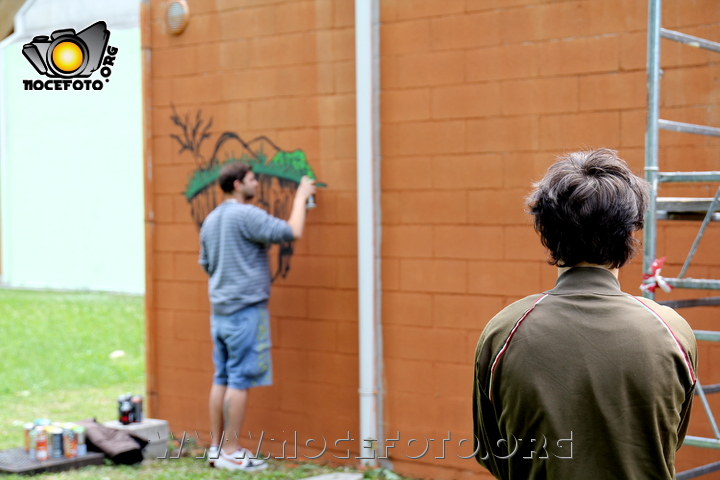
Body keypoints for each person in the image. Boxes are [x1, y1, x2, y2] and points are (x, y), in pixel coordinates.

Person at [473, 149, 697, 479]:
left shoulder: (503, 331)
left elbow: (491, 451)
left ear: (546, 231)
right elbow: (668, 442)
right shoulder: (672, 331)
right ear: (630, 232)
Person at [199, 162, 316, 471]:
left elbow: (206, 264)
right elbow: (292, 231)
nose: (257, 185)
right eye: (252, 180)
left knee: (222, 377)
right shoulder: (246, 215)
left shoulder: (211, 220)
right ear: (237, 184)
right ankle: (232, 451)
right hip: (245, 313)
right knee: (239, 380)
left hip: (220, 313)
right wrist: (300, 197)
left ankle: (216, 448)